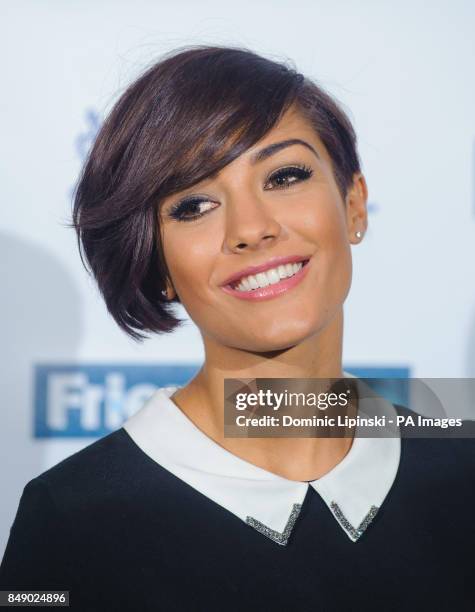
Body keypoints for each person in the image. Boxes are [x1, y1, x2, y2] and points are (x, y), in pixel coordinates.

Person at [0, 45, 474, 612]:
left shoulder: (461, 468)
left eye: (285, 175)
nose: (251, 228)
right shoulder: (70, 516)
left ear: (354, 204)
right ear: (156, 263)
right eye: (194, 205)